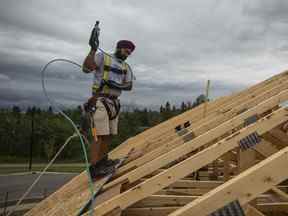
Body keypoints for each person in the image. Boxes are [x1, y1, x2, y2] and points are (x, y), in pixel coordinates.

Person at [82, 39, 135, 179]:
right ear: (119, 48)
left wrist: (116, 85)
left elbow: (129, 86)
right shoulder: (103, 57)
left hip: (114, 103)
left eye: (129, 52)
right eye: (125, 50)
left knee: (109, 135)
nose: (127, 54)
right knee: (99, 135)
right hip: (100, 100)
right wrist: (93, 49)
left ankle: (102, 162)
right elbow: (86, 68)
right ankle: (94, 168)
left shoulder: (126, 66)